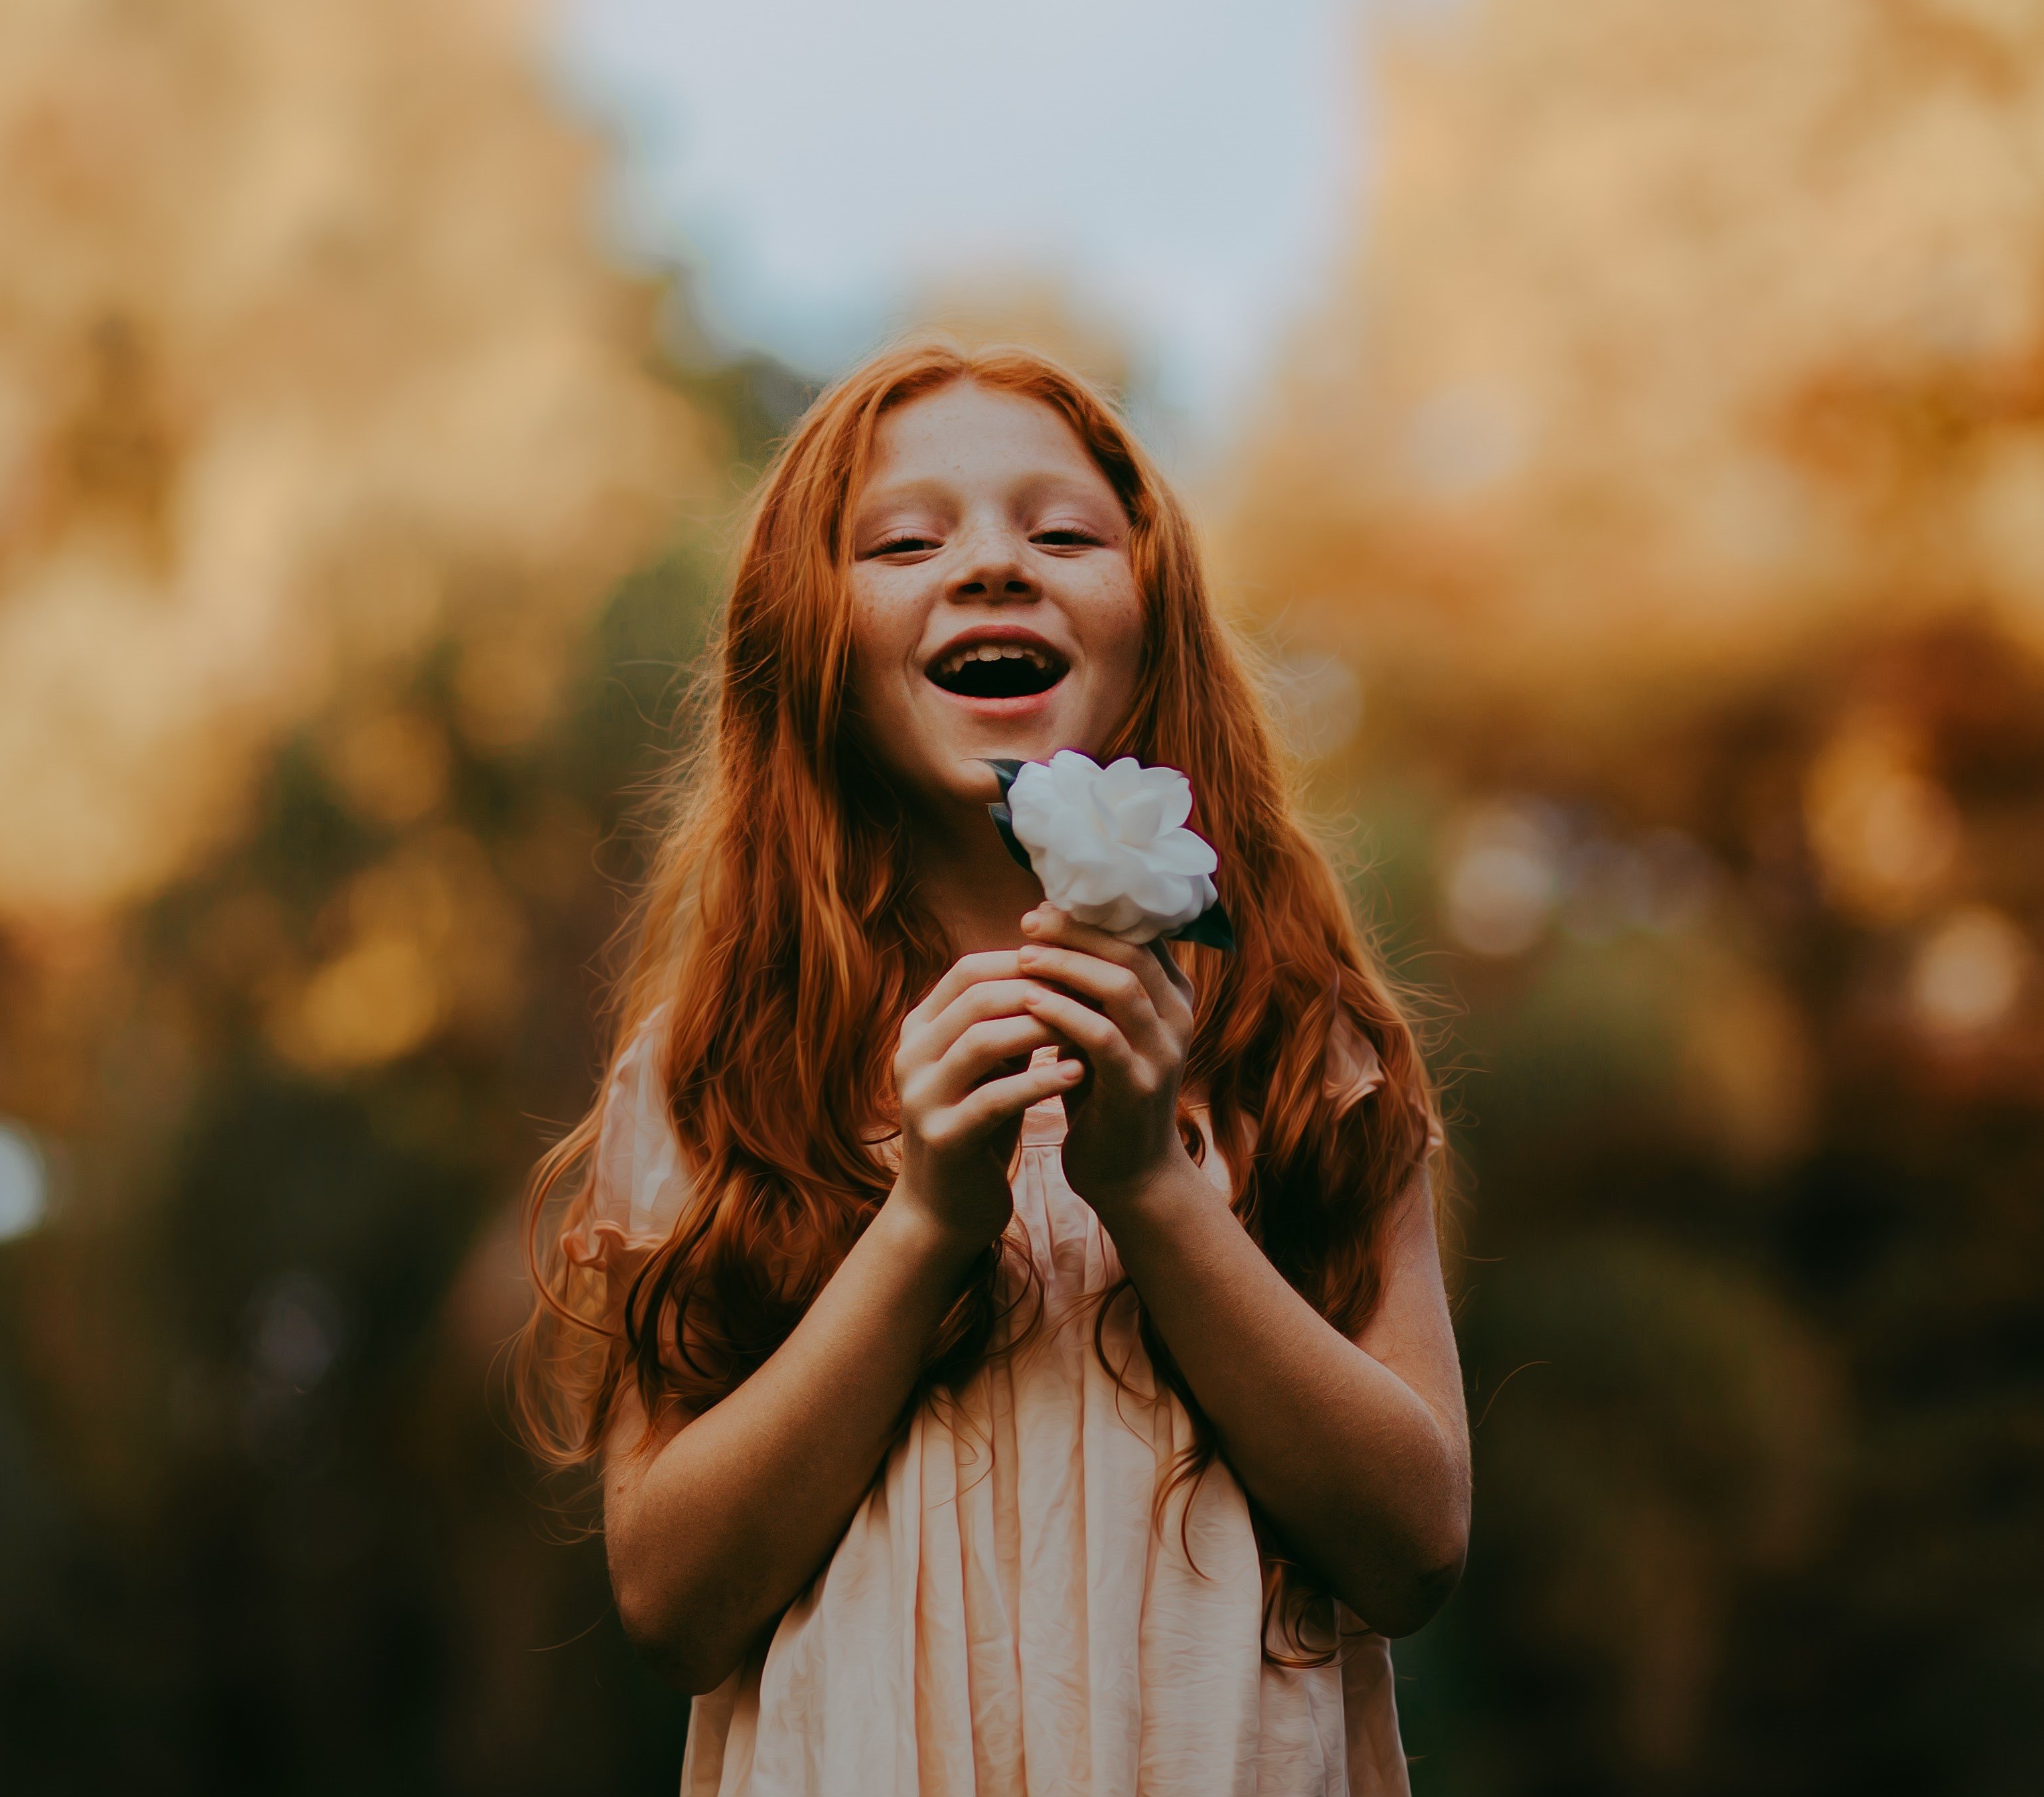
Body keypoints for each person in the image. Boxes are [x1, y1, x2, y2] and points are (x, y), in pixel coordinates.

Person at [520, 340, 1466, 1795]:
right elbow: (669, 1599)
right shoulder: (715, 1076)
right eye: (905, 540)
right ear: (811, 642)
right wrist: (923, 1228)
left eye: (1064, 532)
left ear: (1154, 623)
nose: (990, 567)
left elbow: (1415, 1546)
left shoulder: (1295, 1042)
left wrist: (1152, 1188)